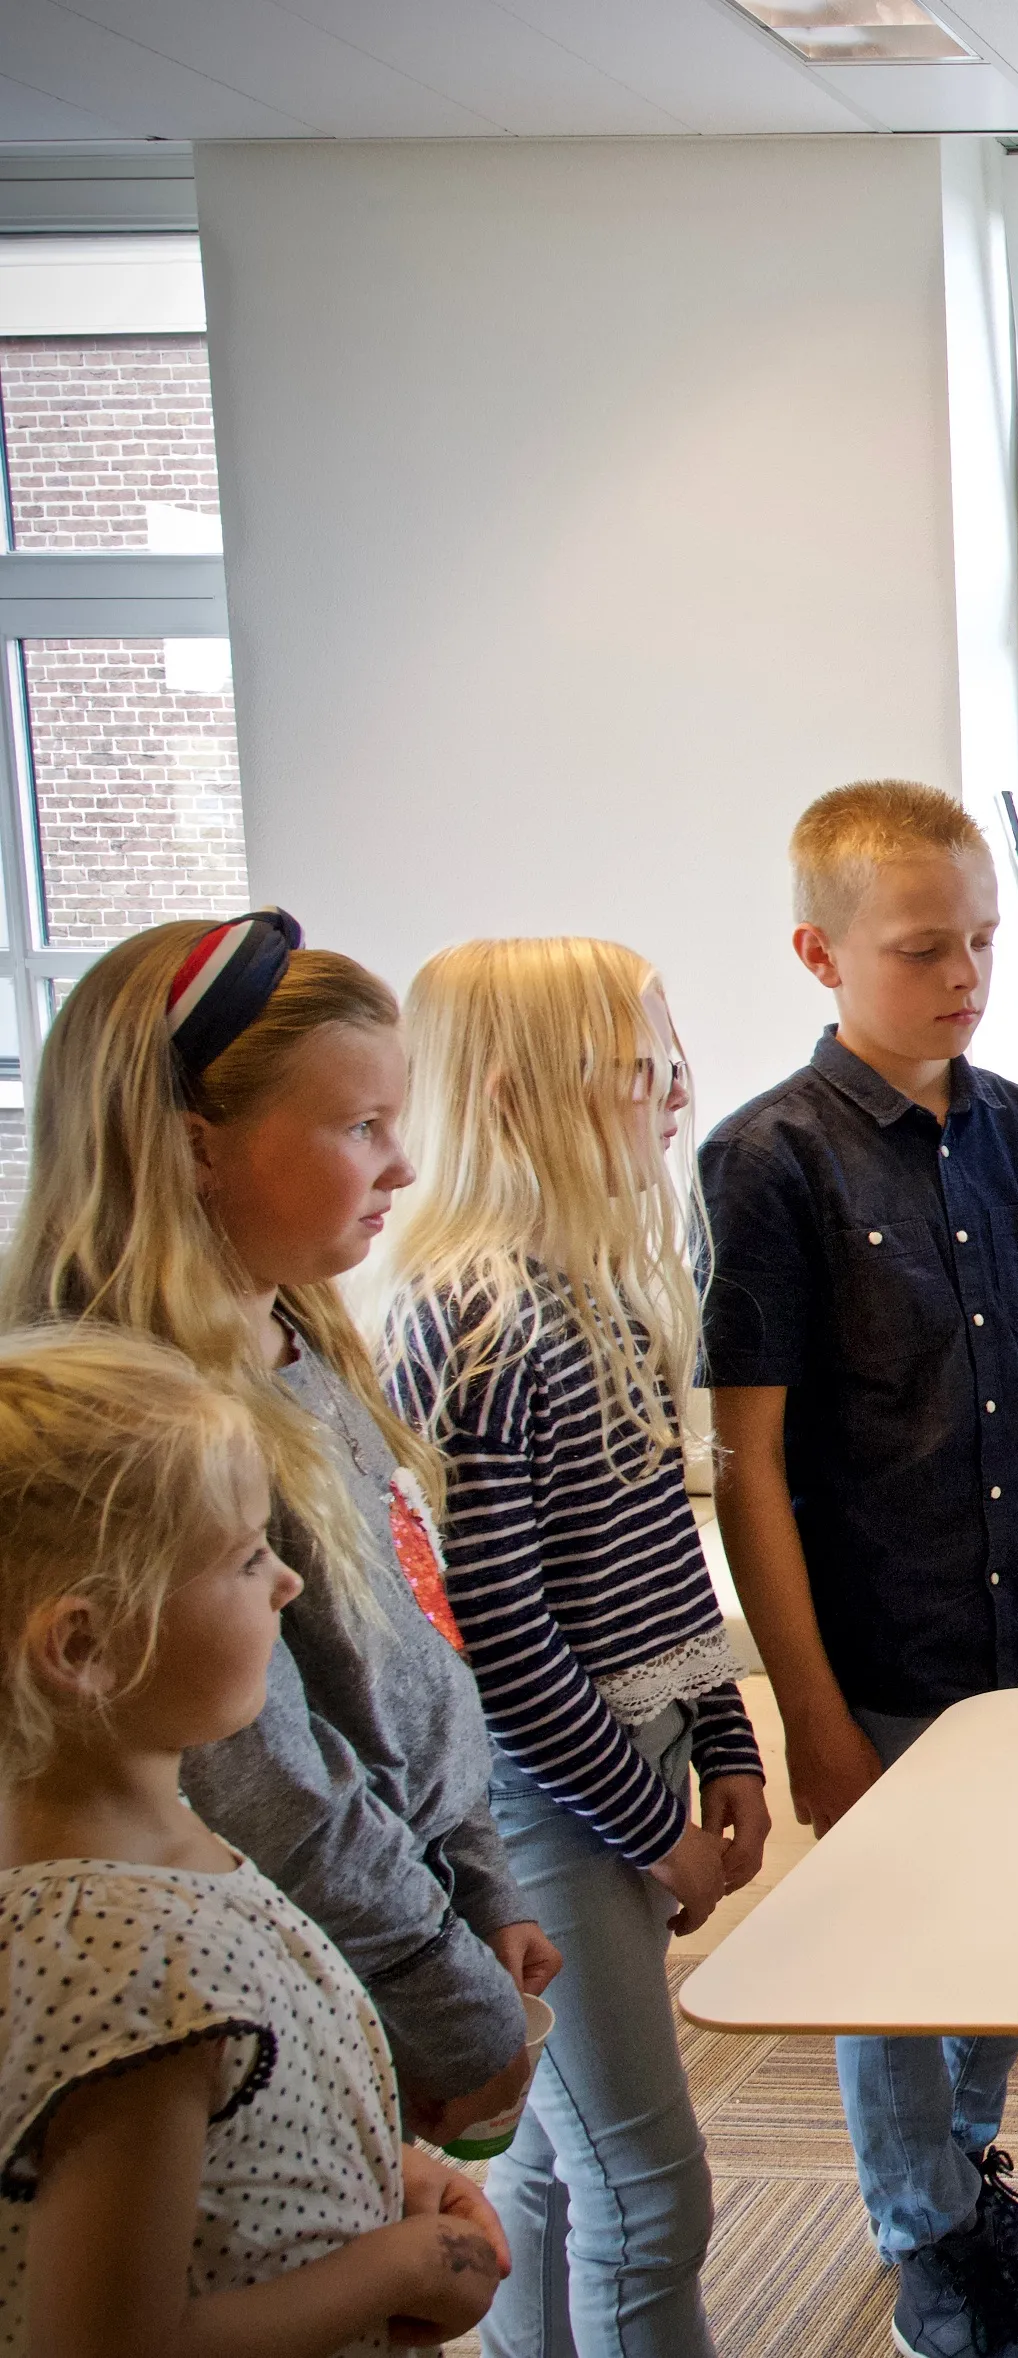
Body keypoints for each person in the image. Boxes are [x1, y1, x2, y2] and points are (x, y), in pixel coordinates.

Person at [699, 781, 1018, 2358]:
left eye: (983, 942)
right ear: (818, 952)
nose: (962, 975)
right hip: (879, 1641)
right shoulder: (769, 1159)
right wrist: (807, 1711)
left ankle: (964, 2175)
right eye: (919, 949)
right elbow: (751, 1459)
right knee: (894, 1956)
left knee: (1008, 1926)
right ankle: (922, 2241)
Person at [2, 910, 557, 2152]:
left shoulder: (304, 1336)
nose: (403, 1167)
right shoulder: (134, 1420)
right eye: (361, 1128)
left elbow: (417, 1641)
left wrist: (480, 1886)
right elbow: (264, 1782)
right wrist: (448, 1989)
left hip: (403, 1926)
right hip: (258, 1981)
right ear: (195, 1147)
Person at [382, 938, 773, 2358]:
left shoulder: (605, 1281)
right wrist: (653, 1823)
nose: (671, 1102)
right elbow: (505, 1644)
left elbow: (659, 1568)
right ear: (512, 1096)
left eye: (671, 1068)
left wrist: (722, 1742)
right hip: (550, 1800)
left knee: (559, 2170)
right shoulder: (475, 1320)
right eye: (637, 1074)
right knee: (648, 2190)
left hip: (630, 1770)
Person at [0, 1328, 513, 2358]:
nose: (286, 1585)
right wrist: (401, 2267)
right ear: (84, 1647)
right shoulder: (137, 1965)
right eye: (246, 1558)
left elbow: (227, 2140)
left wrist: (389, 2172)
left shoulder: (156, 1852)